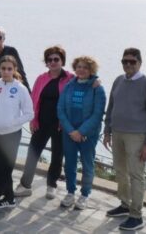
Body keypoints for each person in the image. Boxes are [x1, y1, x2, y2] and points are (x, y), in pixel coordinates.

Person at [103, 48, 146, 231]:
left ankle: (136, 216)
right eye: (124, 61)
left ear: (139, 63)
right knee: (120, 171)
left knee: (136, 176)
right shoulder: (118, 81)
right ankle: (124, 205)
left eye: (132, 62)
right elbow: (111, 107)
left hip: (137, 137)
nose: (128, 64)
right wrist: (107, 131)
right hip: (118, 133)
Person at [15, 46, 73, 199]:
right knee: (32, 153)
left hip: (61, 124)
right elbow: (34, 99)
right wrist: (33, 120)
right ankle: (25, 184)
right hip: (41, 122)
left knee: (57, 155)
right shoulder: (41, 78)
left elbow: (87, 80)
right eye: (50, 60)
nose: (53, 62)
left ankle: (51, 184)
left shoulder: (70, 78)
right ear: (46, 62)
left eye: (56, 59)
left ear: (62, 61)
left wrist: (96, 81)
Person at [0, 55, 33, 218]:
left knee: (2, 170)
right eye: (3, 68)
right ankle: (9, 198)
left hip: (11, 136)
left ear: (14, 70)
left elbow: (30, 113)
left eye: (10, 69)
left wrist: (13, 123)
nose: (6, 71)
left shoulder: (21, 89)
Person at [57, 56, 106, 210]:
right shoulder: (69, 86)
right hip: (69, 133)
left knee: (87, 165)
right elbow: (60, 109)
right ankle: (70, 192)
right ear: (75, 68)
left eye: (85, 67)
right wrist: (71, 131)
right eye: (79, 66)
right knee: (70, 164)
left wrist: (82, 131)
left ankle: (84, 194)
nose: (81, 70)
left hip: (88, 135)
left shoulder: (98, 88)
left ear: (91, 70)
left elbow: (97, 114)